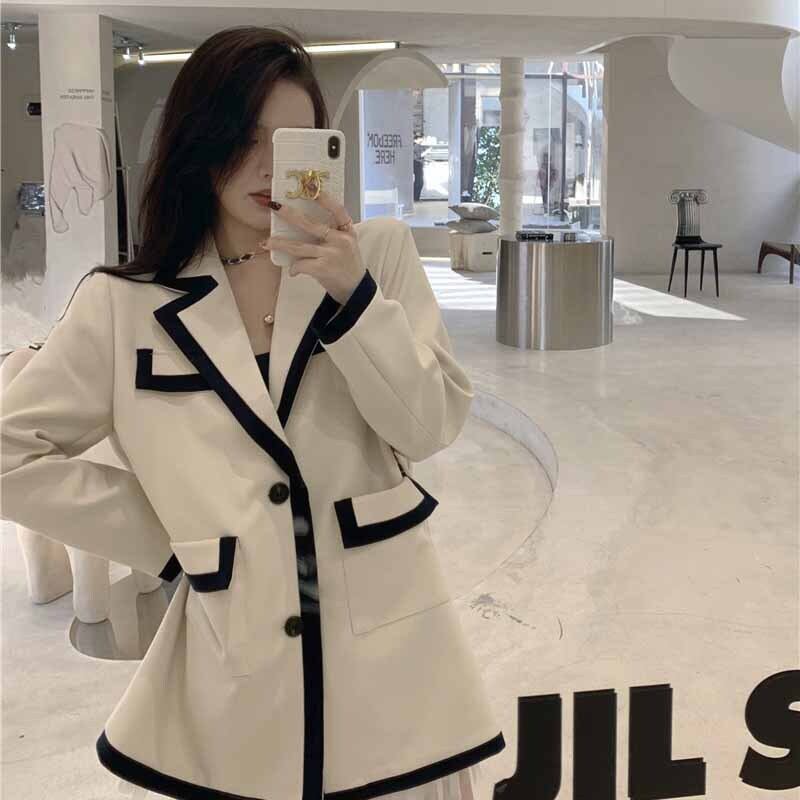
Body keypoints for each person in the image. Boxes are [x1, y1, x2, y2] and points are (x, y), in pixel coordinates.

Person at [0, 25, 504, 800]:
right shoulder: (125, 305)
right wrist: (175, 539)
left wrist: (353, 297)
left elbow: (429, 425)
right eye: (247, 139)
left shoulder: (377, 255)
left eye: (294, 143)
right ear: (200, 144)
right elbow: (9, 452)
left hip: (391, 657)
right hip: (235, 668)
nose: (272, 168)